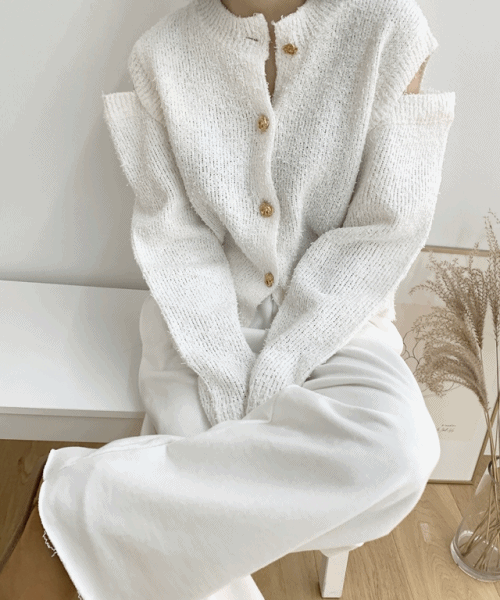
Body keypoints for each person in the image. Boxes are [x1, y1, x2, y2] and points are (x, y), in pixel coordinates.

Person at [0, 1, 455, 599]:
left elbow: (382, 232)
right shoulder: (160, 54)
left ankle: (70, 503)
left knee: (398, 450)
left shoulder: (390, 27)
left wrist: (275, 373)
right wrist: (225, 376)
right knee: (192, 490)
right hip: (197, 319)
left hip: (341, 318)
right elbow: (174, 243)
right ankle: (78, 521)